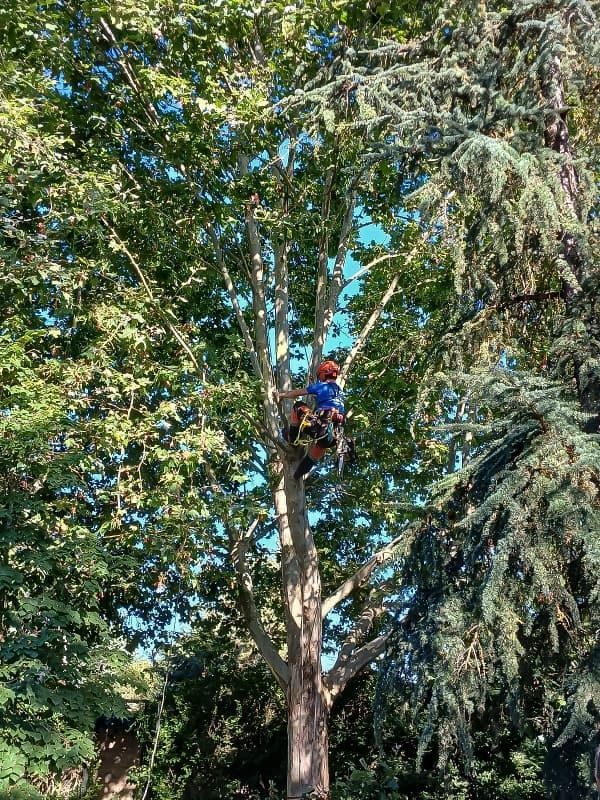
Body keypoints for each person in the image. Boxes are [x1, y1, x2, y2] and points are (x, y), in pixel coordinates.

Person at [276, 360, 345, 479]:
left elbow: (297, 393)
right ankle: (297, 475)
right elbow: (324, 397)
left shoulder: (321, 386)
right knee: (320, 448)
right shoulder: (339, 390)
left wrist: (281, 395)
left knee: (298, 406)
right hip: (334, 434)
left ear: (323, 374)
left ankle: (291, 438)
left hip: (320, 427)